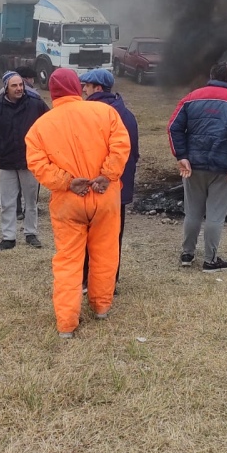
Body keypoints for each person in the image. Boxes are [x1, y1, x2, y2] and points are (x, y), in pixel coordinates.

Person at [25, 68, 131, 338]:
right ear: (78, 88)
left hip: (68, 202)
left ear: (52, 91)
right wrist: (106, 177)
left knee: (68, 261)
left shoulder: (40, 127)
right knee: (105, 254)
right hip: (105, 197)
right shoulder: (106, 113)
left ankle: (66, 324)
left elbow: (37, 164)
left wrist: (67, 182)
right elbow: (121, 145)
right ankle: (101, 307)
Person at [167, 61, 227, 272]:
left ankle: (187, 255)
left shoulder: (191, 97)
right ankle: (210, 260)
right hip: (223, 170)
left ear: (211, 75)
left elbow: (173, 128)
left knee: (193, 213)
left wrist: (182, 156)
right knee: (215, 216)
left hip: (193, 167)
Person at [79, 68, 140, 291]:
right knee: (113, 238)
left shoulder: (88, 113)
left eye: (86, 85)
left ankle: (87, 280)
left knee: (88, 236)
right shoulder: (127, 114)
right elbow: (133, 153)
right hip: (119, 189)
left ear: (98, 88)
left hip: (93, 187)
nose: (83, 89)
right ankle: (108, 282)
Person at [0, 71, 49, 250]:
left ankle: (31, 233)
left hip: (31, 161)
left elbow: (49, 125)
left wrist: (43, 153)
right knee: (7, 201)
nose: (19, 88)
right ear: (6, 88)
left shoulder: (36, 104)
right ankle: (8, 237)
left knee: (31, 200)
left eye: (21, 85)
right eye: (14, 85)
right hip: (7, 160)